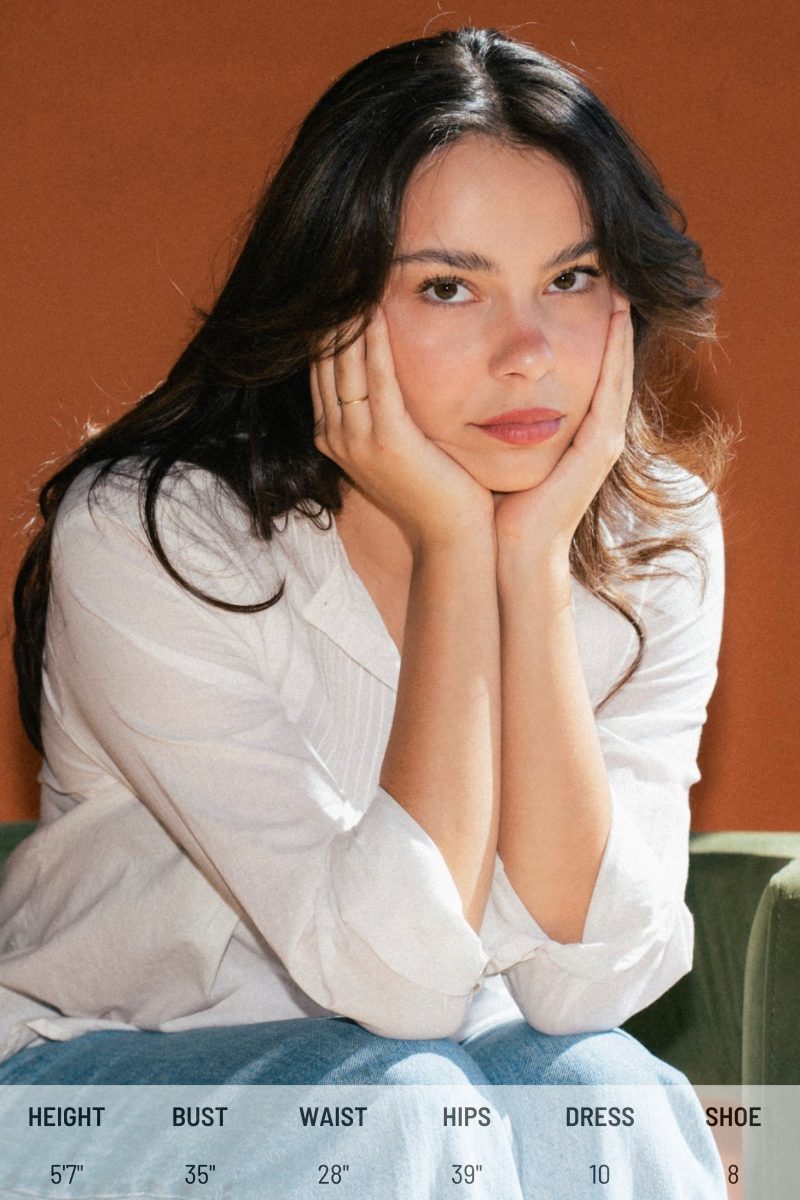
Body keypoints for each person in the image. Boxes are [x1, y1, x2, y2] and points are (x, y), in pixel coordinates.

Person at [0, 25, 728, 1198]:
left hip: (453, 1099)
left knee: (607, 1094)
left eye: (570, 279)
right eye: (447, 287)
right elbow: (395, 987)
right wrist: (452, 551)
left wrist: (527, 564)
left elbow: (584, 984)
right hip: (102, 1092)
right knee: (399, 1106)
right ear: (331, 312)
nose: (527, 353)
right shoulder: (156, 537)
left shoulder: (654, 539)